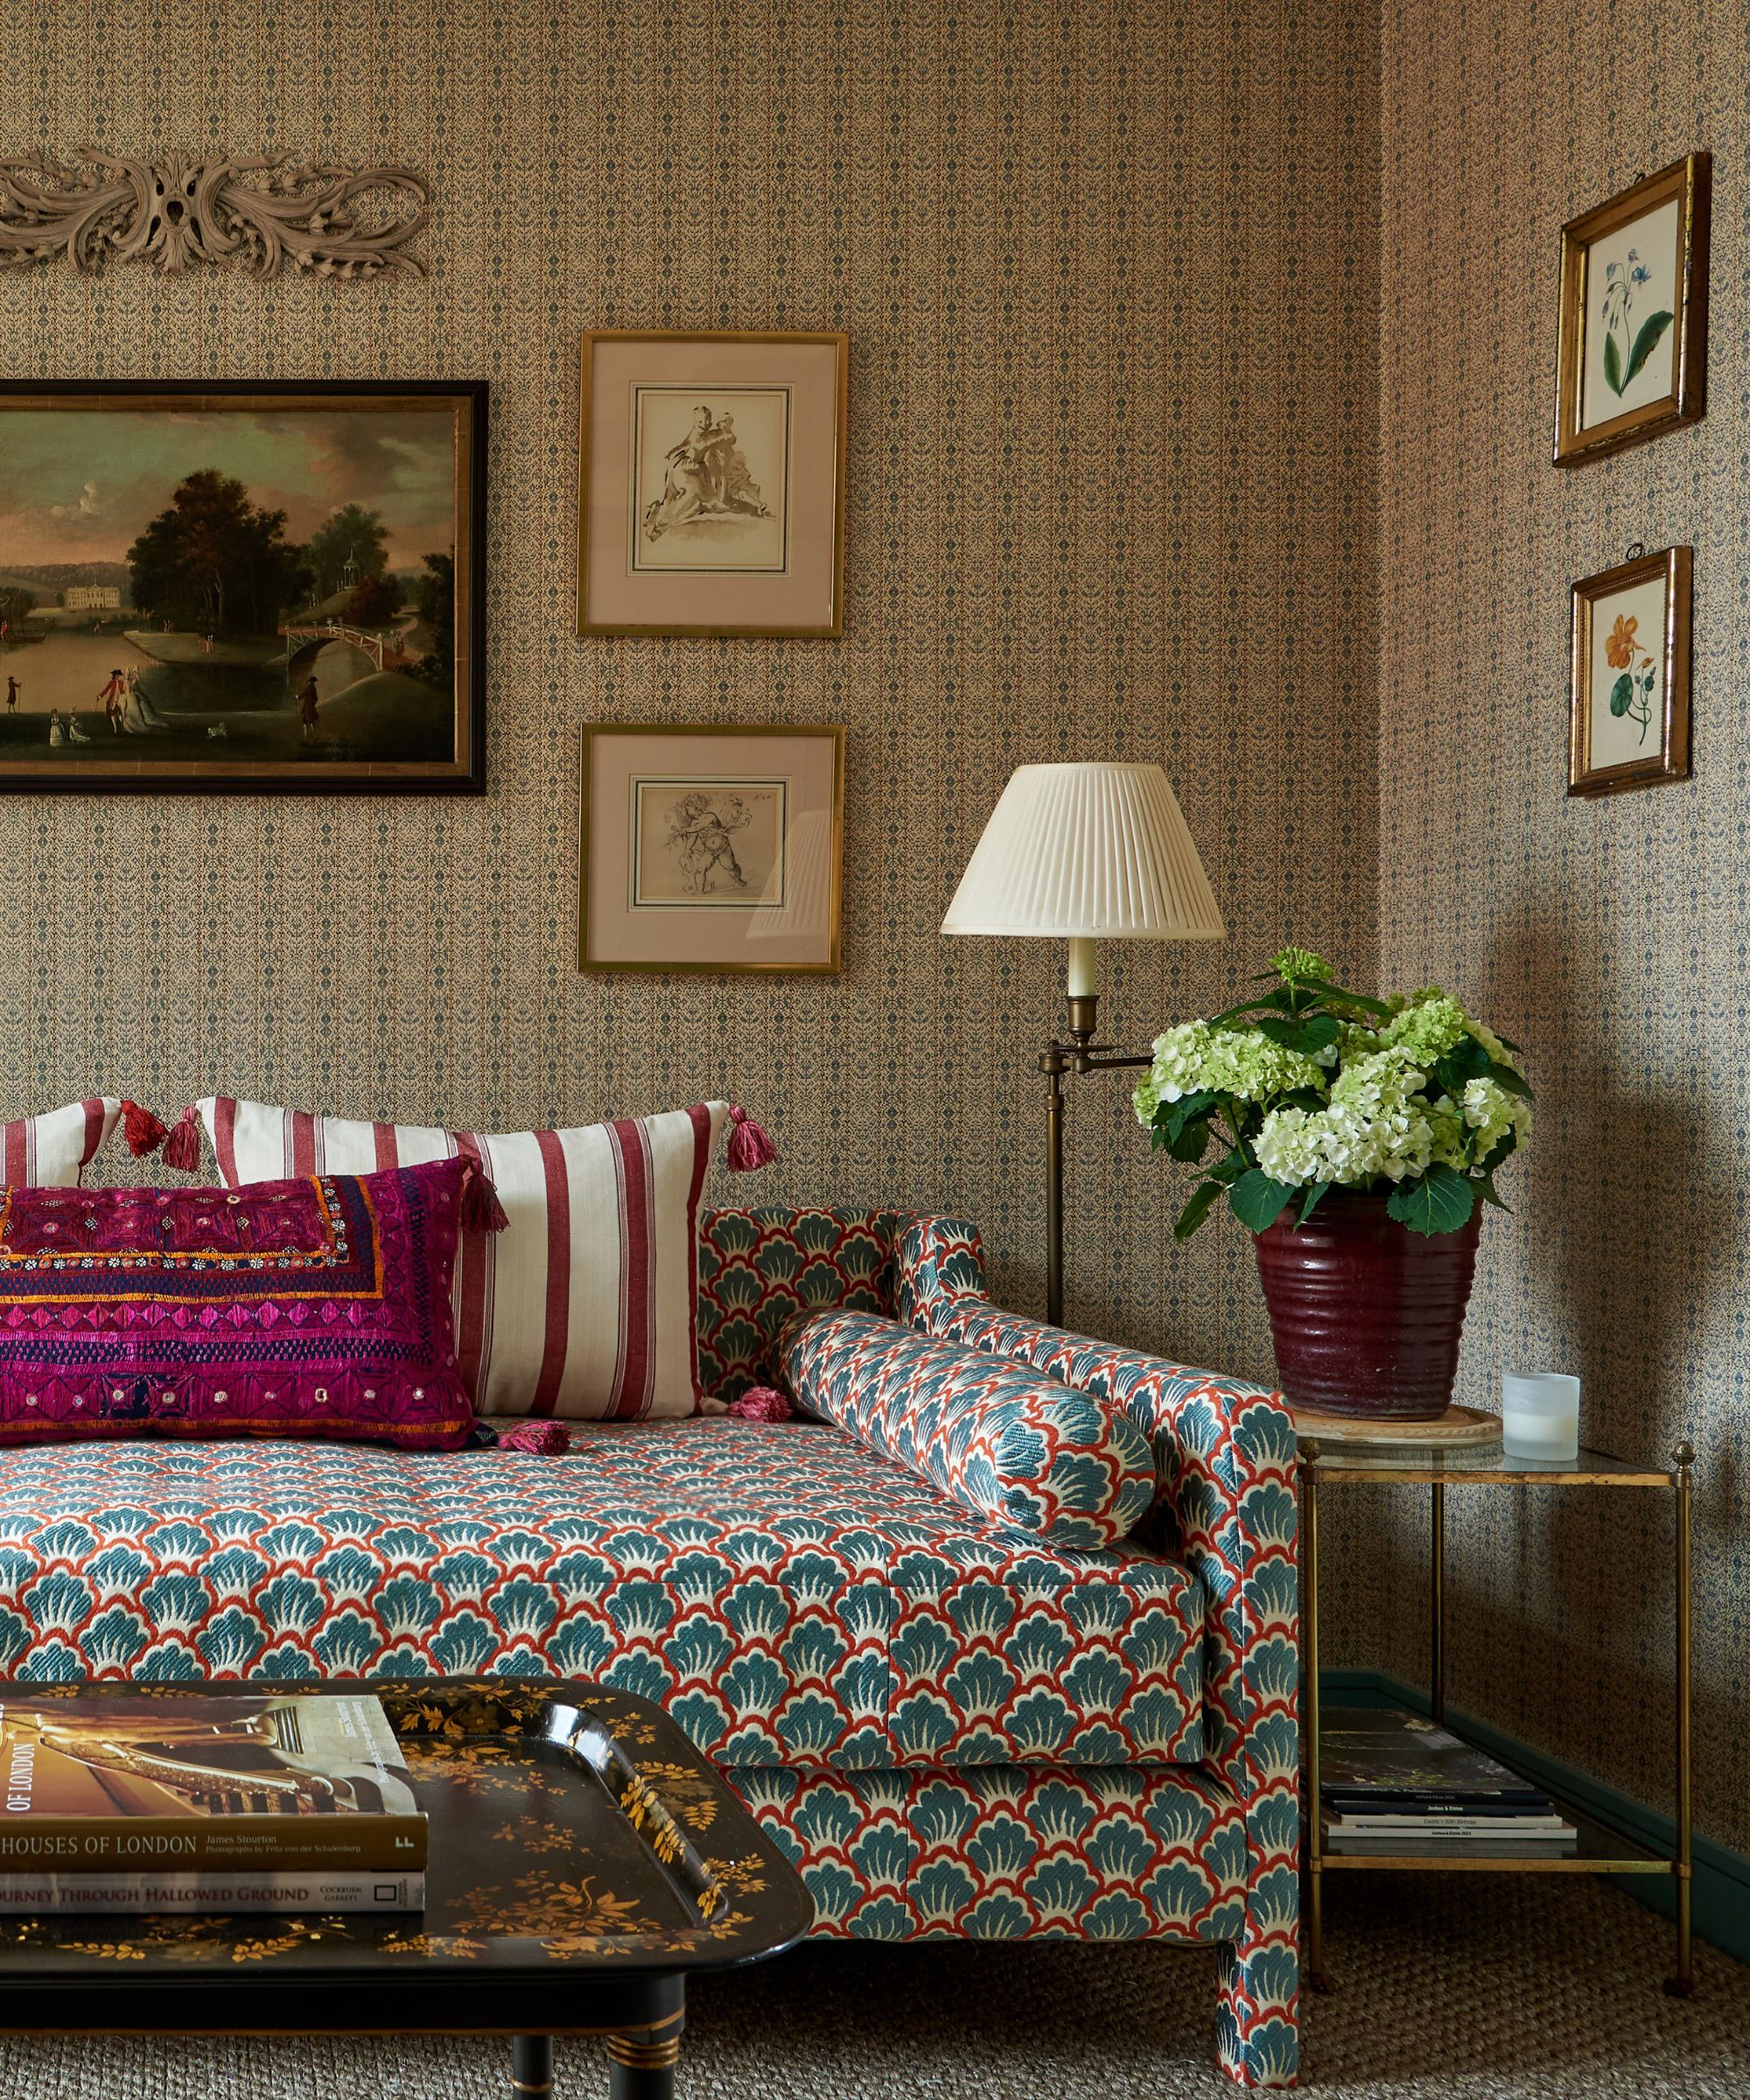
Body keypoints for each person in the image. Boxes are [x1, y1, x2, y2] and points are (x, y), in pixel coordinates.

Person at [298, 675, 320, 744]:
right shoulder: (314, 689)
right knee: (310, 722)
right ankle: (314, 737)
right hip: (311, 707)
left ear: (311, 682)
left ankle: (306, 739)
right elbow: (316, 698)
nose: (309, 682)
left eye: (310, 681)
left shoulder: (308, 688)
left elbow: (302, 695)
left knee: (305, 722)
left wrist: (297, 697)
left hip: (307, 708)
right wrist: (312, 703)